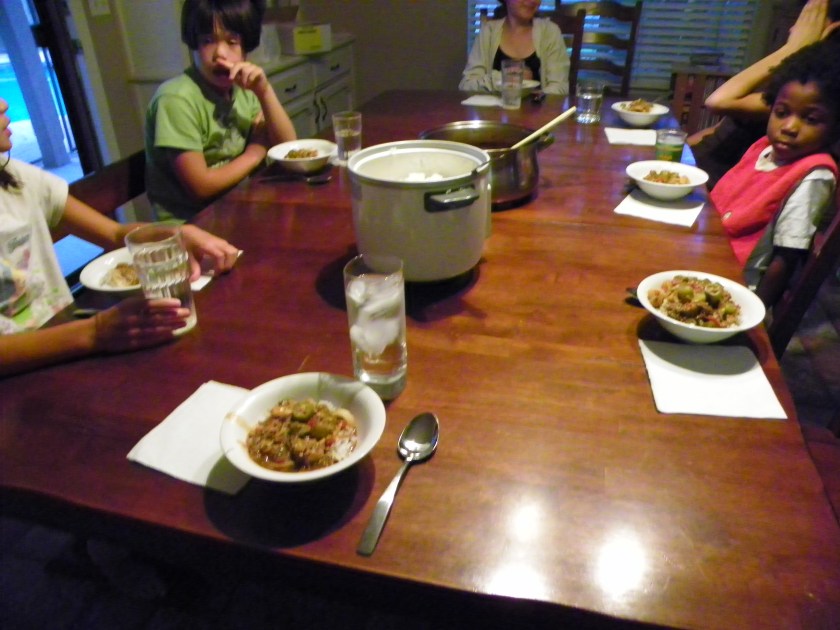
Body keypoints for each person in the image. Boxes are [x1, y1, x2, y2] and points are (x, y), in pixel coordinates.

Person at [0, 97, 241, 378]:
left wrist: (175, 234)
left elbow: (113, 232)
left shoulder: (15, 177)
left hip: (70, 347)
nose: (4, 104)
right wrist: (96, 332)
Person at [709, 41, 840, 309]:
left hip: (733, 287)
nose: (789, 127)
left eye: (811, 119)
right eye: (781, 113)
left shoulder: (815, 174)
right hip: (710, 254)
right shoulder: (762, 149)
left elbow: (787, 256)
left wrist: (754, 314)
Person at [145, 0, 296, 222]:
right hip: (192, 229)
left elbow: (289, 150)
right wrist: (255, 153)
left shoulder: (244, 89)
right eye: (207, 41)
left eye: (232, 42)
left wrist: (265, 92)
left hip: (241, 210)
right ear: (193, 44)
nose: (220, 54)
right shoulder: (176, 99)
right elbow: (201, 187)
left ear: (246, 47)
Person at [690, 0, 840, 189]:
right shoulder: (792, 79)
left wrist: (793, 49)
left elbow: (717, 101)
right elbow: (716, 130)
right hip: (690, 167)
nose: (793, 30)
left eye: (803, 22)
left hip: (707, 188)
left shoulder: (806, 99)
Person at [459, 0, 570, 96]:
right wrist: (504, 78)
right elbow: (467, 85)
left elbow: (560, 88)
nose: (533, 1)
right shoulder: (488, 32)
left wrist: (534, 98)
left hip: (538, 118)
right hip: (493, 117)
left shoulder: (550, 32)